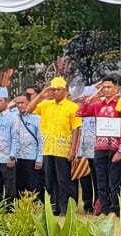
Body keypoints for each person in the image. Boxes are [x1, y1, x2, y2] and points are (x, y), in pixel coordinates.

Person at [26, 79, 81, 216]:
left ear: (65, 91)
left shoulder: (72, 107)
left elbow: (76, 129)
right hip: (48, 148)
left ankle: (65, 208)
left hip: (63, 149)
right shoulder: (45, 105)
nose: (54, 92)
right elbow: (28, 109)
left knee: (63, 180)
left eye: (58, 89)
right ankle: (53, 208)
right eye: (53, 89)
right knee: (49, 180)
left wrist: (73, 150)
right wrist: (42, 94)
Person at [79, 76, 121, 214]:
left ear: (116, 87)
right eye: (103, 87)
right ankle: (104, 207)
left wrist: (120, 149)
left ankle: (116, 208)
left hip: (115, 147)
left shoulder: (120, 105)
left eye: (109, 87)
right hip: (100, 147)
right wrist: (94, 94)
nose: (106, 90)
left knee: (115, 180)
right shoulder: (98, 105)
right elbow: (80, 112)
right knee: (101, 179)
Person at [11, 94, 43, 200]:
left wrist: (39, 158)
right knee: (19, 185)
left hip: (32, 157)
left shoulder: (36, 118)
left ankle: (35, 207)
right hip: (18, 157)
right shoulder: (14, 117)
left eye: (22, 103)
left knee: (33, 185)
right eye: (18, 103)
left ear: (29, 103)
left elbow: (41, 139)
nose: (20, 105)